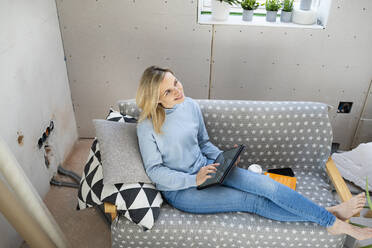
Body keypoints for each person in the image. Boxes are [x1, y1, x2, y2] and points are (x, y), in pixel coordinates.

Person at [136, 65, 372, 241]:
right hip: (183, 191)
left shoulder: (190, 106)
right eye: (168, 91)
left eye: (176, 82)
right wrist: (192, 179)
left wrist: (223, 159)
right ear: (156, 99)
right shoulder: (147, 125)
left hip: (211, 168)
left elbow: (204, 142)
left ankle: (327, 215)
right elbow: (155, 171)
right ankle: (333, 222)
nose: (177, 90)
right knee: (254, 202)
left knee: (267, 186)